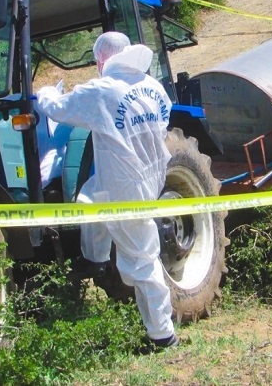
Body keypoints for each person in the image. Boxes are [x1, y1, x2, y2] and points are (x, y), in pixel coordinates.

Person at [35, 32, 178, 348]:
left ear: (101, 59)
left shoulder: (102, 89)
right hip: (148, 174)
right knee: (90, 195)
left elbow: (58, 108)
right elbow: (163, 122)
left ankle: (162, 334)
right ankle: (95, 257)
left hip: (128, 186)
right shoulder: (153, 87)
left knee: (141, 259)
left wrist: (44, 92)